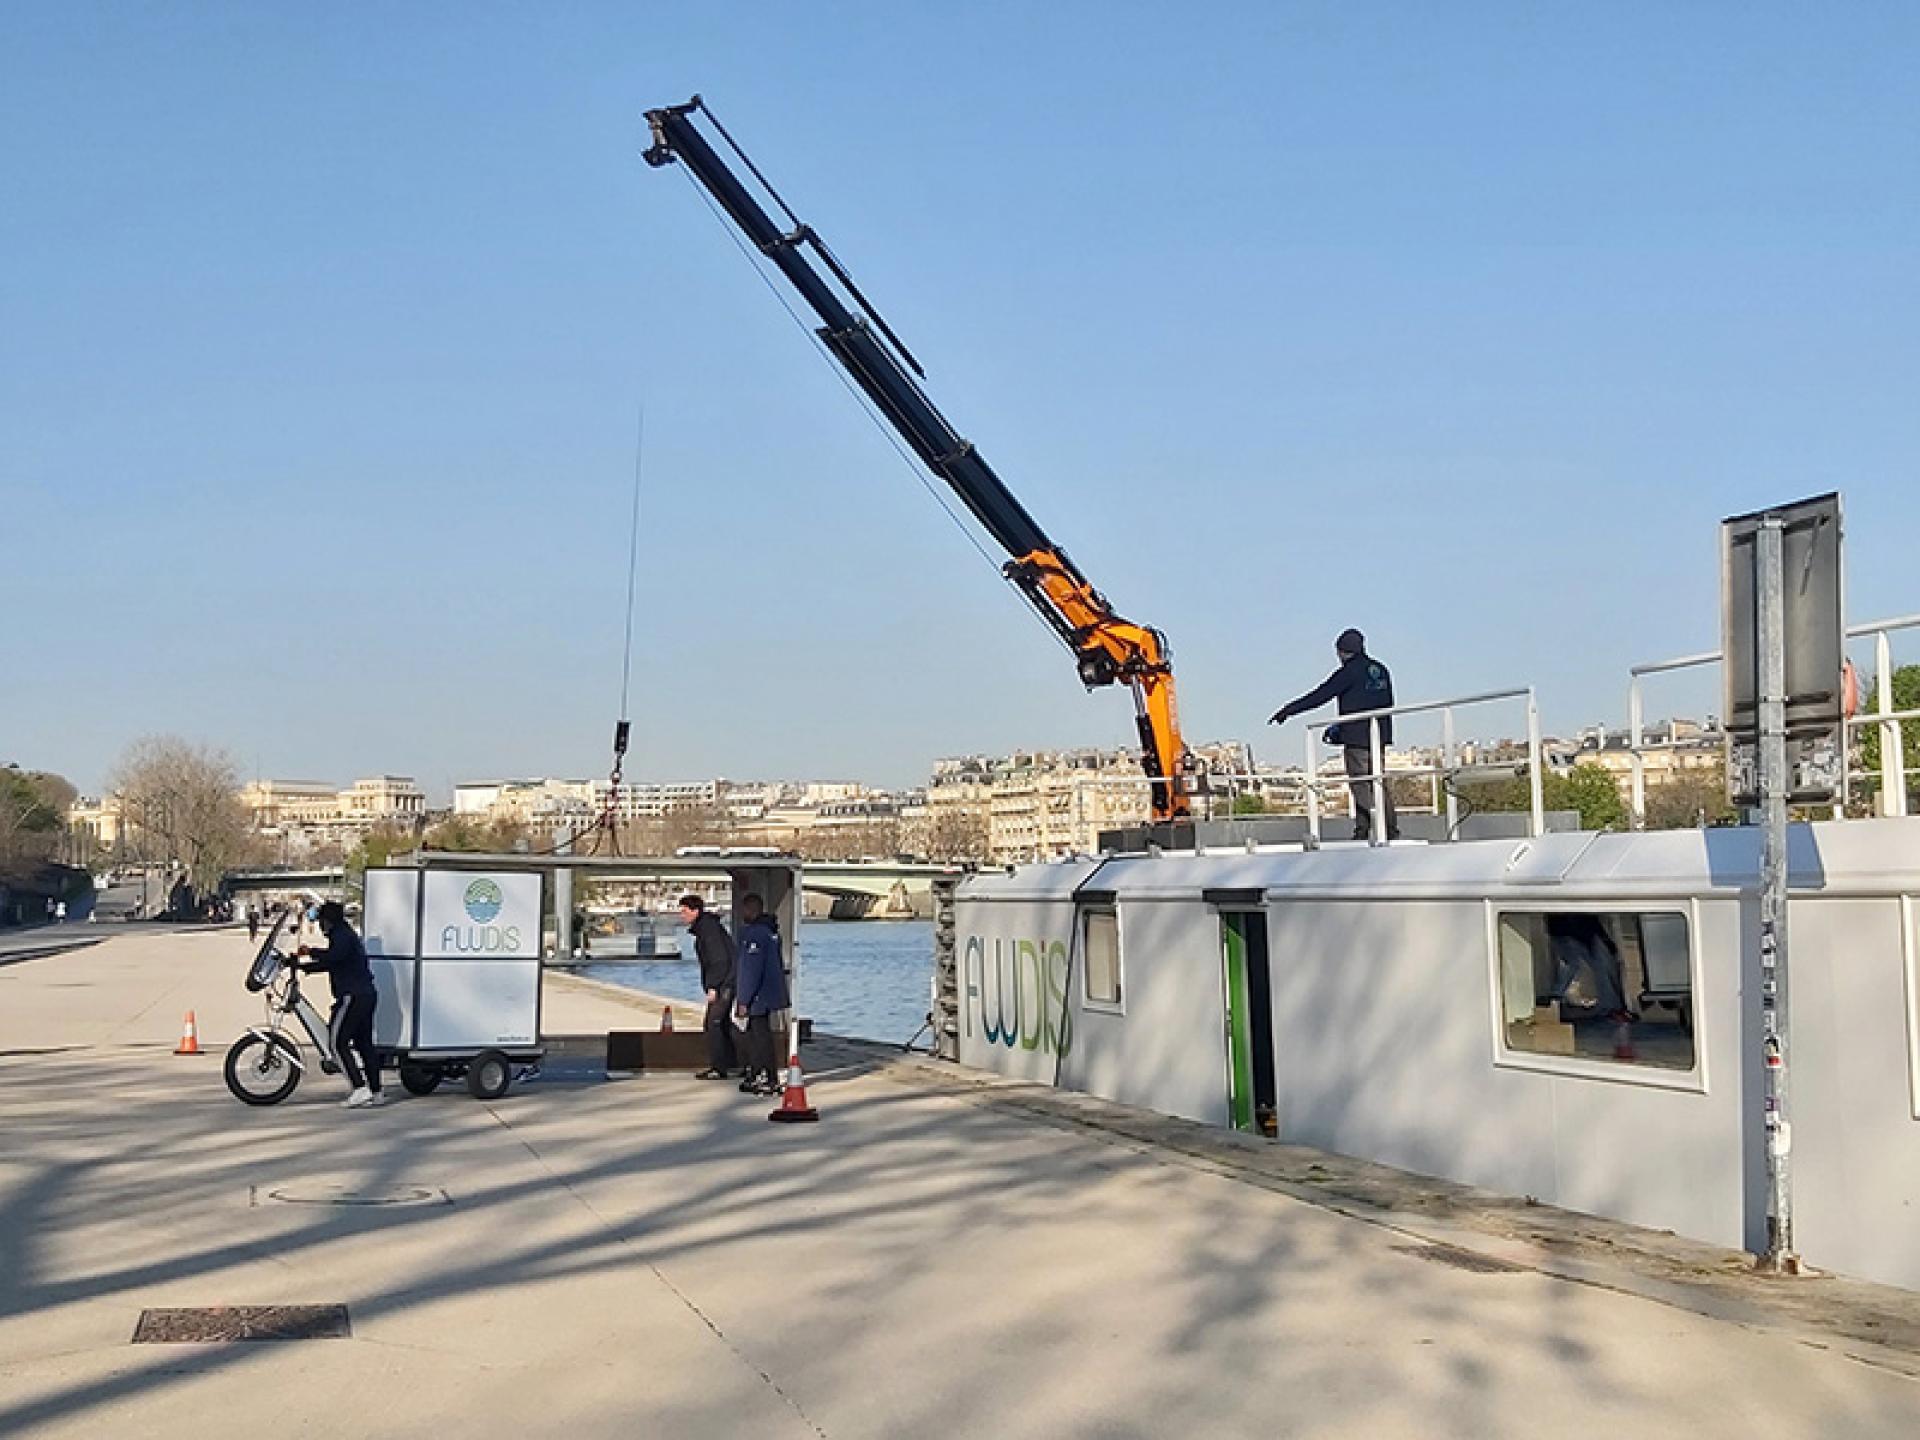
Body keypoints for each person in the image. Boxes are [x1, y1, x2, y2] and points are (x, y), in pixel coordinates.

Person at [1270, 627, 1399, 841]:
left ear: (1342, 651)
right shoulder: (1380, 669)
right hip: (1379, 736)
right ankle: (1368, 829)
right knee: (1377, 781)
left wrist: (1288, 710)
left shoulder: (1349, 672)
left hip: (1357, 738)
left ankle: (1382, 827)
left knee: (1360, 783)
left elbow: (1321, 695)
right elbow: (1388, 702)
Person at [297, 900, 384, 1108]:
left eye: (321, 921)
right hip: (365, 994)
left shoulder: (341, 936)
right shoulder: (346, 934)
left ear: (328, 921)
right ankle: (376, 1091)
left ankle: (359, 1088)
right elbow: (333, 962)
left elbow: (333, 959)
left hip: (352, 996)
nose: (320, 926)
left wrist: (310, 955)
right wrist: (305, 966)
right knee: (364, 1045)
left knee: (336, 1042)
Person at [733, 893, 790, 1096]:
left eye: (744, 909)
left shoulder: (755, 935)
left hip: (758, 995)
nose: (741, 913)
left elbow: (750, 969)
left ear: (751, 909)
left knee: (760, 1037)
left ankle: (768, 1076)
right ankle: (757, 1072)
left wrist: (743, 999)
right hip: (769, 991)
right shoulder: (770, 932)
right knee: (756, 1034)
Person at [681, 894, 738, 1080]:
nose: (682, 915)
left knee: (713, 1024)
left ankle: (720, 1067)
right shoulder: (707, 927)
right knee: (723, 1024)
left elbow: (719, 960)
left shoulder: (708, 930)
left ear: (695, 911)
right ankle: (736, 1063)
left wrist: (713, 986)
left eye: (684, 911)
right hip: (727, 981)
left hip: (724, 983)